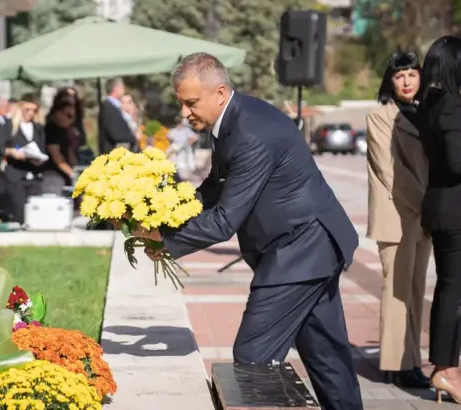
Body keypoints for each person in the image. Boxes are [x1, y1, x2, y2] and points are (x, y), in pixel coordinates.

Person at [131, 53, 363, 410]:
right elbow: (213, 187)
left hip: (302, 247)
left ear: (219, 92)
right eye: (182, 103)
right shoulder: (232, 121)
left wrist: (165, 240)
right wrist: (163, 217)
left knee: (253, 356)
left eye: (191, 102)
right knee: (325, 354)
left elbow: (226, 219)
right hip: (309, 245)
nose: (184, 112)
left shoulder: (251, 131)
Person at [366, 51, 431, 388]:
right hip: (398, 214)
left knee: (416, 290)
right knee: (397, 290)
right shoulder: (379, 117)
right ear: (389, 81)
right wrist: (428, 202)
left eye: (412, 75)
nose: (406, 82)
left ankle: (412, 361)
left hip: (423, 215)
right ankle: (395, 364)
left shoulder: (426, 113)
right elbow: (390, 171)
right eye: (399, 76)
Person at [415, 36, 461, 402]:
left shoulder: (430, 106)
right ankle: (444, 370)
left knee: (451, 289)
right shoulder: (451, 106)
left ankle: (448, 367)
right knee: (452, 291)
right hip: (453, 209)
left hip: (442, 206)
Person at [0, 94, 45, 224]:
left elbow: (42, 149)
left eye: (34, 110)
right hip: (16, 175)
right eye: (27, 110)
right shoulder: (9, 126)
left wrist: (39, 158)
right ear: (20, 109)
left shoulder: (38, 128)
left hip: (34, 175)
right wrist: (11, 152)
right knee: (19, 212)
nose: (30, 113)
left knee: (35, 213)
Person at [42, 97, 79, 195]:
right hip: (53, 175)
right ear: (58, 114)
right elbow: (57, 157)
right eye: (69, 116)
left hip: (63, 174)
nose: (72, 120)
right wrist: (73, 173)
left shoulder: (63, 131)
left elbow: (69, 152)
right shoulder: (51, 130)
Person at [98, 77, 138, 154]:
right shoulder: (108, 107)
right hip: (114, 153)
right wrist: (132, 138)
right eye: (122, 87)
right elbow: (116, 132)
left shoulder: (115, 106)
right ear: (116, 88)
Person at [166, 116, 199, 182]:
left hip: (184, 149)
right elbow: (168, 136)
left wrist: (189, 142)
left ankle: (184, 179)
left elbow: (195, 137)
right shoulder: (173, 131)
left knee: (185, 164)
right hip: (175, 149)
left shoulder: (186, 130)